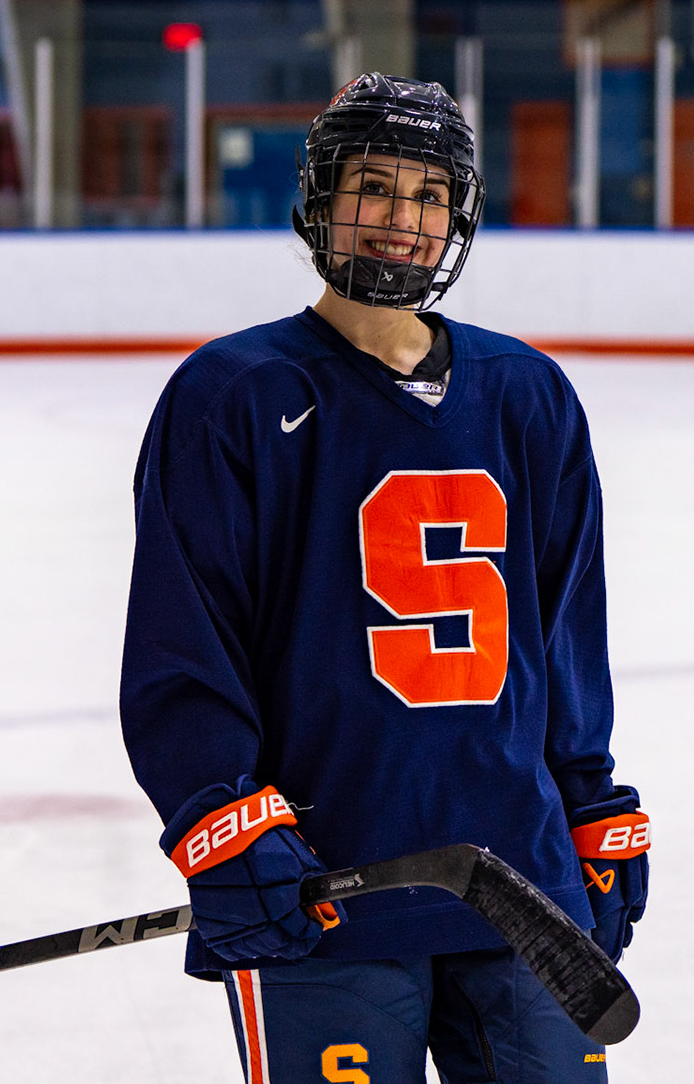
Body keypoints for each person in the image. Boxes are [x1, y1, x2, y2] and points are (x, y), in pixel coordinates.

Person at [120, 74, 649, 1083]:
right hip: (327, 891)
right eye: (374, 186)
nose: (403, 218)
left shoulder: (528, 395)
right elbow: (184, 643)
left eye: (429, 194)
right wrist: (219, 814)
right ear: (322, 198)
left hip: (523, 881)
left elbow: (565, 633)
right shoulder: (233, 396)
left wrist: (590, 800)